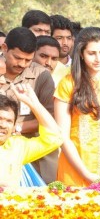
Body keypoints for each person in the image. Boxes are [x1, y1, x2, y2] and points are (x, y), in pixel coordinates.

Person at [54, 27, 100, 187]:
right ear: (81, 54)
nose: (98, 59)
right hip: (74, 169)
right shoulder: (68, 83)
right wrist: (85, 173)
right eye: (91, 53)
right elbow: (62, 135)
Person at [0, 27, 57, 184]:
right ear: (4, 48)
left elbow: (50, 120)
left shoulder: (42, 75)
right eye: (17, 58)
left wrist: (13, 129)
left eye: (28, 60)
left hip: (31, 149)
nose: (22, 64)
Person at [0, 84, 62, 187]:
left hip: (10, 202)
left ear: (14, 125)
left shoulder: (17, 146)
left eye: (9, 121)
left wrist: (33, 103)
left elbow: (55, 138)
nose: (2, 125)